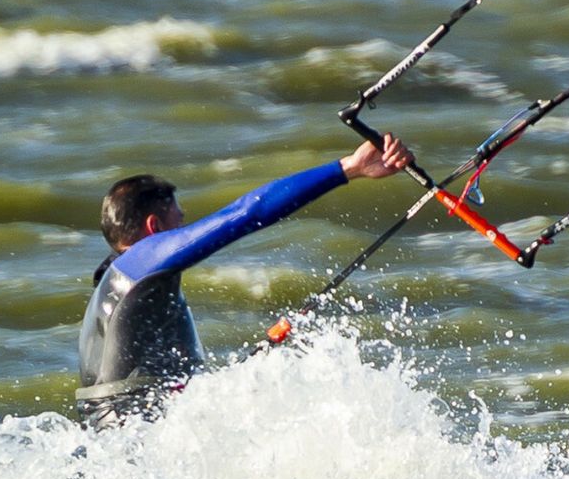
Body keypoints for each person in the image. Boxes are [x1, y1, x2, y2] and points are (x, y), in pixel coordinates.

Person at [76, 133, 415, 426]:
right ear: (154, 228)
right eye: (179, 220)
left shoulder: (112, 283)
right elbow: (247, 213)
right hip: (136, 436)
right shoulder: (144, 260)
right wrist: (349, 168)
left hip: (116, 439)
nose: (185, 227)